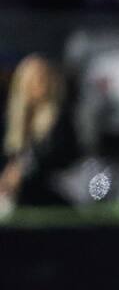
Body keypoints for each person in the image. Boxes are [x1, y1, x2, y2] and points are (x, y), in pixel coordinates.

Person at [1, 55, 77, 213]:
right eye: (34, 79)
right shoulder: (13, 120)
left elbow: (56, 156)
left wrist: (21, 171)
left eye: (43, 78)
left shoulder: (59, 118)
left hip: (54, 186)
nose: (39, 84)